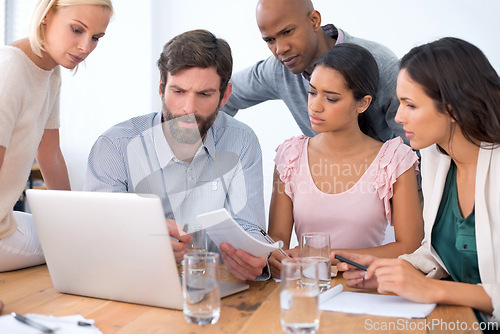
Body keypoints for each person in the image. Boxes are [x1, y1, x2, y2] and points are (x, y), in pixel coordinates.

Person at [335, 37, 500, 325]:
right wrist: (396, 270)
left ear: (452, 108)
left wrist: (432, 288)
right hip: (455, 322)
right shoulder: (435, 157)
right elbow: (440, 252)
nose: (398, 116)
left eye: (410, 105)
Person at [84, 29, 269, 281]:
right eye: (178, 91)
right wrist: (141, 239)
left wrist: (254, 257)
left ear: (225, 95)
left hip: (215, 289)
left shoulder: (243, 141)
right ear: (162, 89)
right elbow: (97, 234)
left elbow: (249, 227)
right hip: (133, 284)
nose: (188, 109)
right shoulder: (115, 146)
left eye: (204, 94)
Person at [267, 44, 423, 278]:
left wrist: (325, 255)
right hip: (307, 291)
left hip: (370, 292)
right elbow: (275, 246)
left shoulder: (394, 161)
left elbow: (410, 247)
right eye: (312, 92)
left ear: (363, 103)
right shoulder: (290, 157)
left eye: (331, 98)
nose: (315, 106)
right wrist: (274, 259)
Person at [0, 0, 113, 272]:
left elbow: (50, 156)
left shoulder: (49, 71)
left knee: (89, 234)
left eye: (96, 37)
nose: (86, 47)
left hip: (4, 220)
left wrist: (72, 223)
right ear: (46, 16)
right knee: (87, 245)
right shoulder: (12, 69)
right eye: (77, 29)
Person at [221, 0, 403, 143]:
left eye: (287, 32)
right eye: (269, 40)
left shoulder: (382, 66)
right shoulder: (279, 69)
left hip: (393, 184)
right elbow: (220, 93)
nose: (280, 49)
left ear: (314, 20)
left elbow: (417, 151)